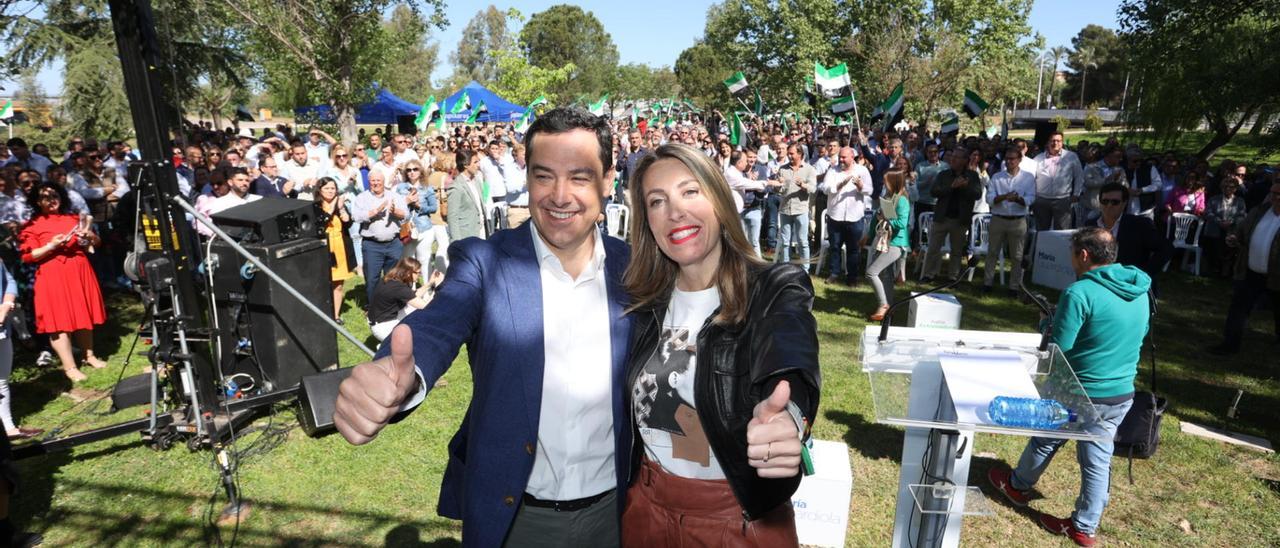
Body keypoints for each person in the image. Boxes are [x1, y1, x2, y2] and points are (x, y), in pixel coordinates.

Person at [333, 108, 634, 547]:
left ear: (608, 181)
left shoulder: (635, 268)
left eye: (580, 177)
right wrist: (397, 377)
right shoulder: (483, 262)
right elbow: (437, 324)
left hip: (617, 515)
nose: (560, 195)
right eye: (544, 176)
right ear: (526, 177)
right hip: (516, 518)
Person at [620, 142, 819, 545]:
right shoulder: (644, 304)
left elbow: (789, 355)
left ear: (718, 200)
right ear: (648, 223)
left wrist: (790, 417)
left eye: (690, 191)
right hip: (645, 510)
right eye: (657, 202)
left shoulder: (772, 288)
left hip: (734, 520)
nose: (675, 211)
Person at [989, 227, 1151, 548]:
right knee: (1097, 459)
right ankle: (1084, 526)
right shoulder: (1141, 290)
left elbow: (1059, 347)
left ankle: (1019, 486)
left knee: (1046, 438)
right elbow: (1138, 332)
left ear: (1084, 255)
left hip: (1078, 388)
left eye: (1073, 253)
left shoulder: (1079, 294)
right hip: (1120, 392)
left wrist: (1046, 323)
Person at [19, 183, 107, 383]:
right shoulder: (32, 225)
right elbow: (28, 256)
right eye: (45, 196)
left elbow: (96, 243)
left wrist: (89, 237)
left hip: (79, 270)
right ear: (37, 201)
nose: (51, 199)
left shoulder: (73, 219)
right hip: (53, 275)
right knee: (59, 321)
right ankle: (70, 367)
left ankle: (89, 356)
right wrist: (51, 245)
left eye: (54, 195)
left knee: (83, 313)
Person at [1208, 181, 1280, 355]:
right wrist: (1234, 238)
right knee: (1238, 309)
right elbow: (1241, 231)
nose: (1274, 197)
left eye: (1279, 194)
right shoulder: (1260, 212)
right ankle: (1229, 345)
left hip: (1277, 277)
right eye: (1273, 193)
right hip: (1251, 272)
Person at [922, 146, 982, 282]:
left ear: (964, 160)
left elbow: (977, 194)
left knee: (956, 251)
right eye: (952, 156)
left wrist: (965, 186)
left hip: (960, 219)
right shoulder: (944, 174)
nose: (952, 159)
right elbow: (934, 191)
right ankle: (929, 274)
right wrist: (952, 187)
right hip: (942, 217)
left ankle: (953, 277)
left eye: (956, 157)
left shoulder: (972, 176)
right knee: (933, 248)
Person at [1092, 183, 1170, 283]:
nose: (1109, 205)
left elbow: (1166, 248)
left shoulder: (1139, 225)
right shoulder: (1091, 225)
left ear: (1124, 203)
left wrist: (1145, 274)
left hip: (1128, 283)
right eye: (1105, 201)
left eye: (1115, 202)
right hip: (1098, 281)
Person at [984, 146, 1036, 294]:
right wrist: (1004, 197)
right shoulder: (997, 177)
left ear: (1019, 160)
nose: (1009, 161)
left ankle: (1014, 286)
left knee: (1017, 255)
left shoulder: (1028, 177)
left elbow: (1031, 198)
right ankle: (987, 283)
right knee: (992, 252)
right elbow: (989, 199)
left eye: (1012, 159)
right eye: (1007, 159)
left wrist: (1018, 199)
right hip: (998, 218)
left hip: (1018, 220)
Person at [350, 169, 408, 302]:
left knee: (394, 278)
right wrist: (374, 212)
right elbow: (356, 216)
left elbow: (406, 215)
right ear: (369, 182)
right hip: (372, 245)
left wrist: (395, 212)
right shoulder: (362, 198)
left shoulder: (394, 196)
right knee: (372, 279)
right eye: (373, 180)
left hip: (394, 243)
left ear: (383, 182)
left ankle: (392, 306)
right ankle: (374, 310)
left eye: (378, 180)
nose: (376, 183)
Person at [0, 260, 40, 440]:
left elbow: (9, 281)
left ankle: (9, 428)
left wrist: (7, 304)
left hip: (2, 328)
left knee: (1, 381)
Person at [820, 146, 872, 285]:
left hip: (854, 217)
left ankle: (852, 277)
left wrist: (861, 186)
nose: (841, 160)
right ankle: (834, 273)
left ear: (852, 157)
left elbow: (870, 190)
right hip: (835, 215)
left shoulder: (862, 171)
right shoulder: (833, 170)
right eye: (840, 157)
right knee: (835, 247)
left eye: (844, 157)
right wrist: (838, 186)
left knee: (853, 249)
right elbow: (824, 188)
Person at [865, 171, 912, 321]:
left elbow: (902, 224)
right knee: (886, 275)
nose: (884, 184)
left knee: (871, 273)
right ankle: (889, 308)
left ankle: (883, 304)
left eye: (887, 181)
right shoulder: (888, 197)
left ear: (894, 182)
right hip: (885, 240)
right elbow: (876, 218)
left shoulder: (902, 201)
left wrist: (887, 219)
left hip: (895, 243)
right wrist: (869, 235)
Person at [366, 257, 439, 342]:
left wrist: (430, 283)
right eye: (418, 273)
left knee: (416, 313)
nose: (420, 275)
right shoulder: (398, 288)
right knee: (417, 338)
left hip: (382, 320)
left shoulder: (393, 279)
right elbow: (426, 306)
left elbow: (412, 296)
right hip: (382, 327)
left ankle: (390, 344)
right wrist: (437, 288)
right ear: (408, 273)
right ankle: (387, 347)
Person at [314, 178, 355, 322]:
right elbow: (320, 224)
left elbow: (348, 224)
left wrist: (343, 211)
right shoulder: (315, 206)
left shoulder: (339, 205)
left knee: (338, 284)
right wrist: (332, 208)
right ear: (320, 190)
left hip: (340, 248)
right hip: (324, 248)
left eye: (333, 188)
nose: (331, 191)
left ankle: (335, 315)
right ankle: (322, 313)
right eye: (327, 188)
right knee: (324, 284)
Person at [775, 144, 817, 271]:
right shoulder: (782, 169)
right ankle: (785, 268)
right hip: (785, 209)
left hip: (801, 210)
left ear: (800, 154)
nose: (789, 155)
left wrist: (803, 185)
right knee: (785, 241)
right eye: (789, 153)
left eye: (792, 153)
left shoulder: (809, 169)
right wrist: (778, 185)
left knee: (803, 242)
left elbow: (813, 189)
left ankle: (805, 269)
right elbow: (779, 191)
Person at [1032, 132, 1084, 231]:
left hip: (1063, 199)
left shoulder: (1071, 156)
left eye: (1058, 141)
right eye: (1053, 140)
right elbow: (1031, 178)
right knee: (1041, 230)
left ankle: (1060, 247)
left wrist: (1076, 194)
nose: (1055, 143)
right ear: (1047, 143)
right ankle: (1042, 247)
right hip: (1042, 199)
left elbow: (1079, 176)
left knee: (1062, 230)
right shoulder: (1038, 158)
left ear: (1062, 142)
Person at [1202, 177, 1248, 277]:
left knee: (1229, 250)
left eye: (1231, 187)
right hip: (1214, 229)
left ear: (1235, 188)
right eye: (1225, 186)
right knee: (1213, 248)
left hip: (1231, 230)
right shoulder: (1214, 199)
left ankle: (1225, 272)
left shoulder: (1240, 201)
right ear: (1221, 187)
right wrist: (1219, 221)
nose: (1228, 189)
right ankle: (1212, 269)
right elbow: (1208, 213)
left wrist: (1231, 222)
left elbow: (1242, 215)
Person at [447, 149, 485, 241]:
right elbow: (452, 217)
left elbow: (482, 204)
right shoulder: (456, 187)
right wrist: (457, 242)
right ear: (466, 165)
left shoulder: (477, 181)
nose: (478, 165)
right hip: (466, 235)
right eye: (475, 162)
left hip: (481, 231)